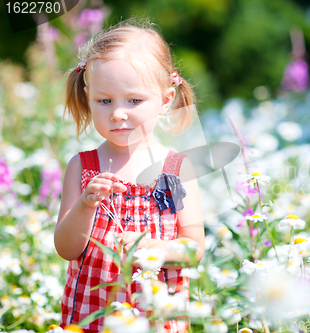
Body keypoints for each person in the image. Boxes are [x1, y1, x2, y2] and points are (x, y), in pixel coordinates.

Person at [54, 18, 205, 333]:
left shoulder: (176, 169)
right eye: (104, 101)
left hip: (157, 314)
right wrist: (84, 205)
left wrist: (156, 248)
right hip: (93, 314)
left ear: (165, 100)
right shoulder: (83, 167)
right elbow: (66, 249)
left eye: (134, 101)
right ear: (87, 95)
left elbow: (194, 249)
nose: (118, 113)